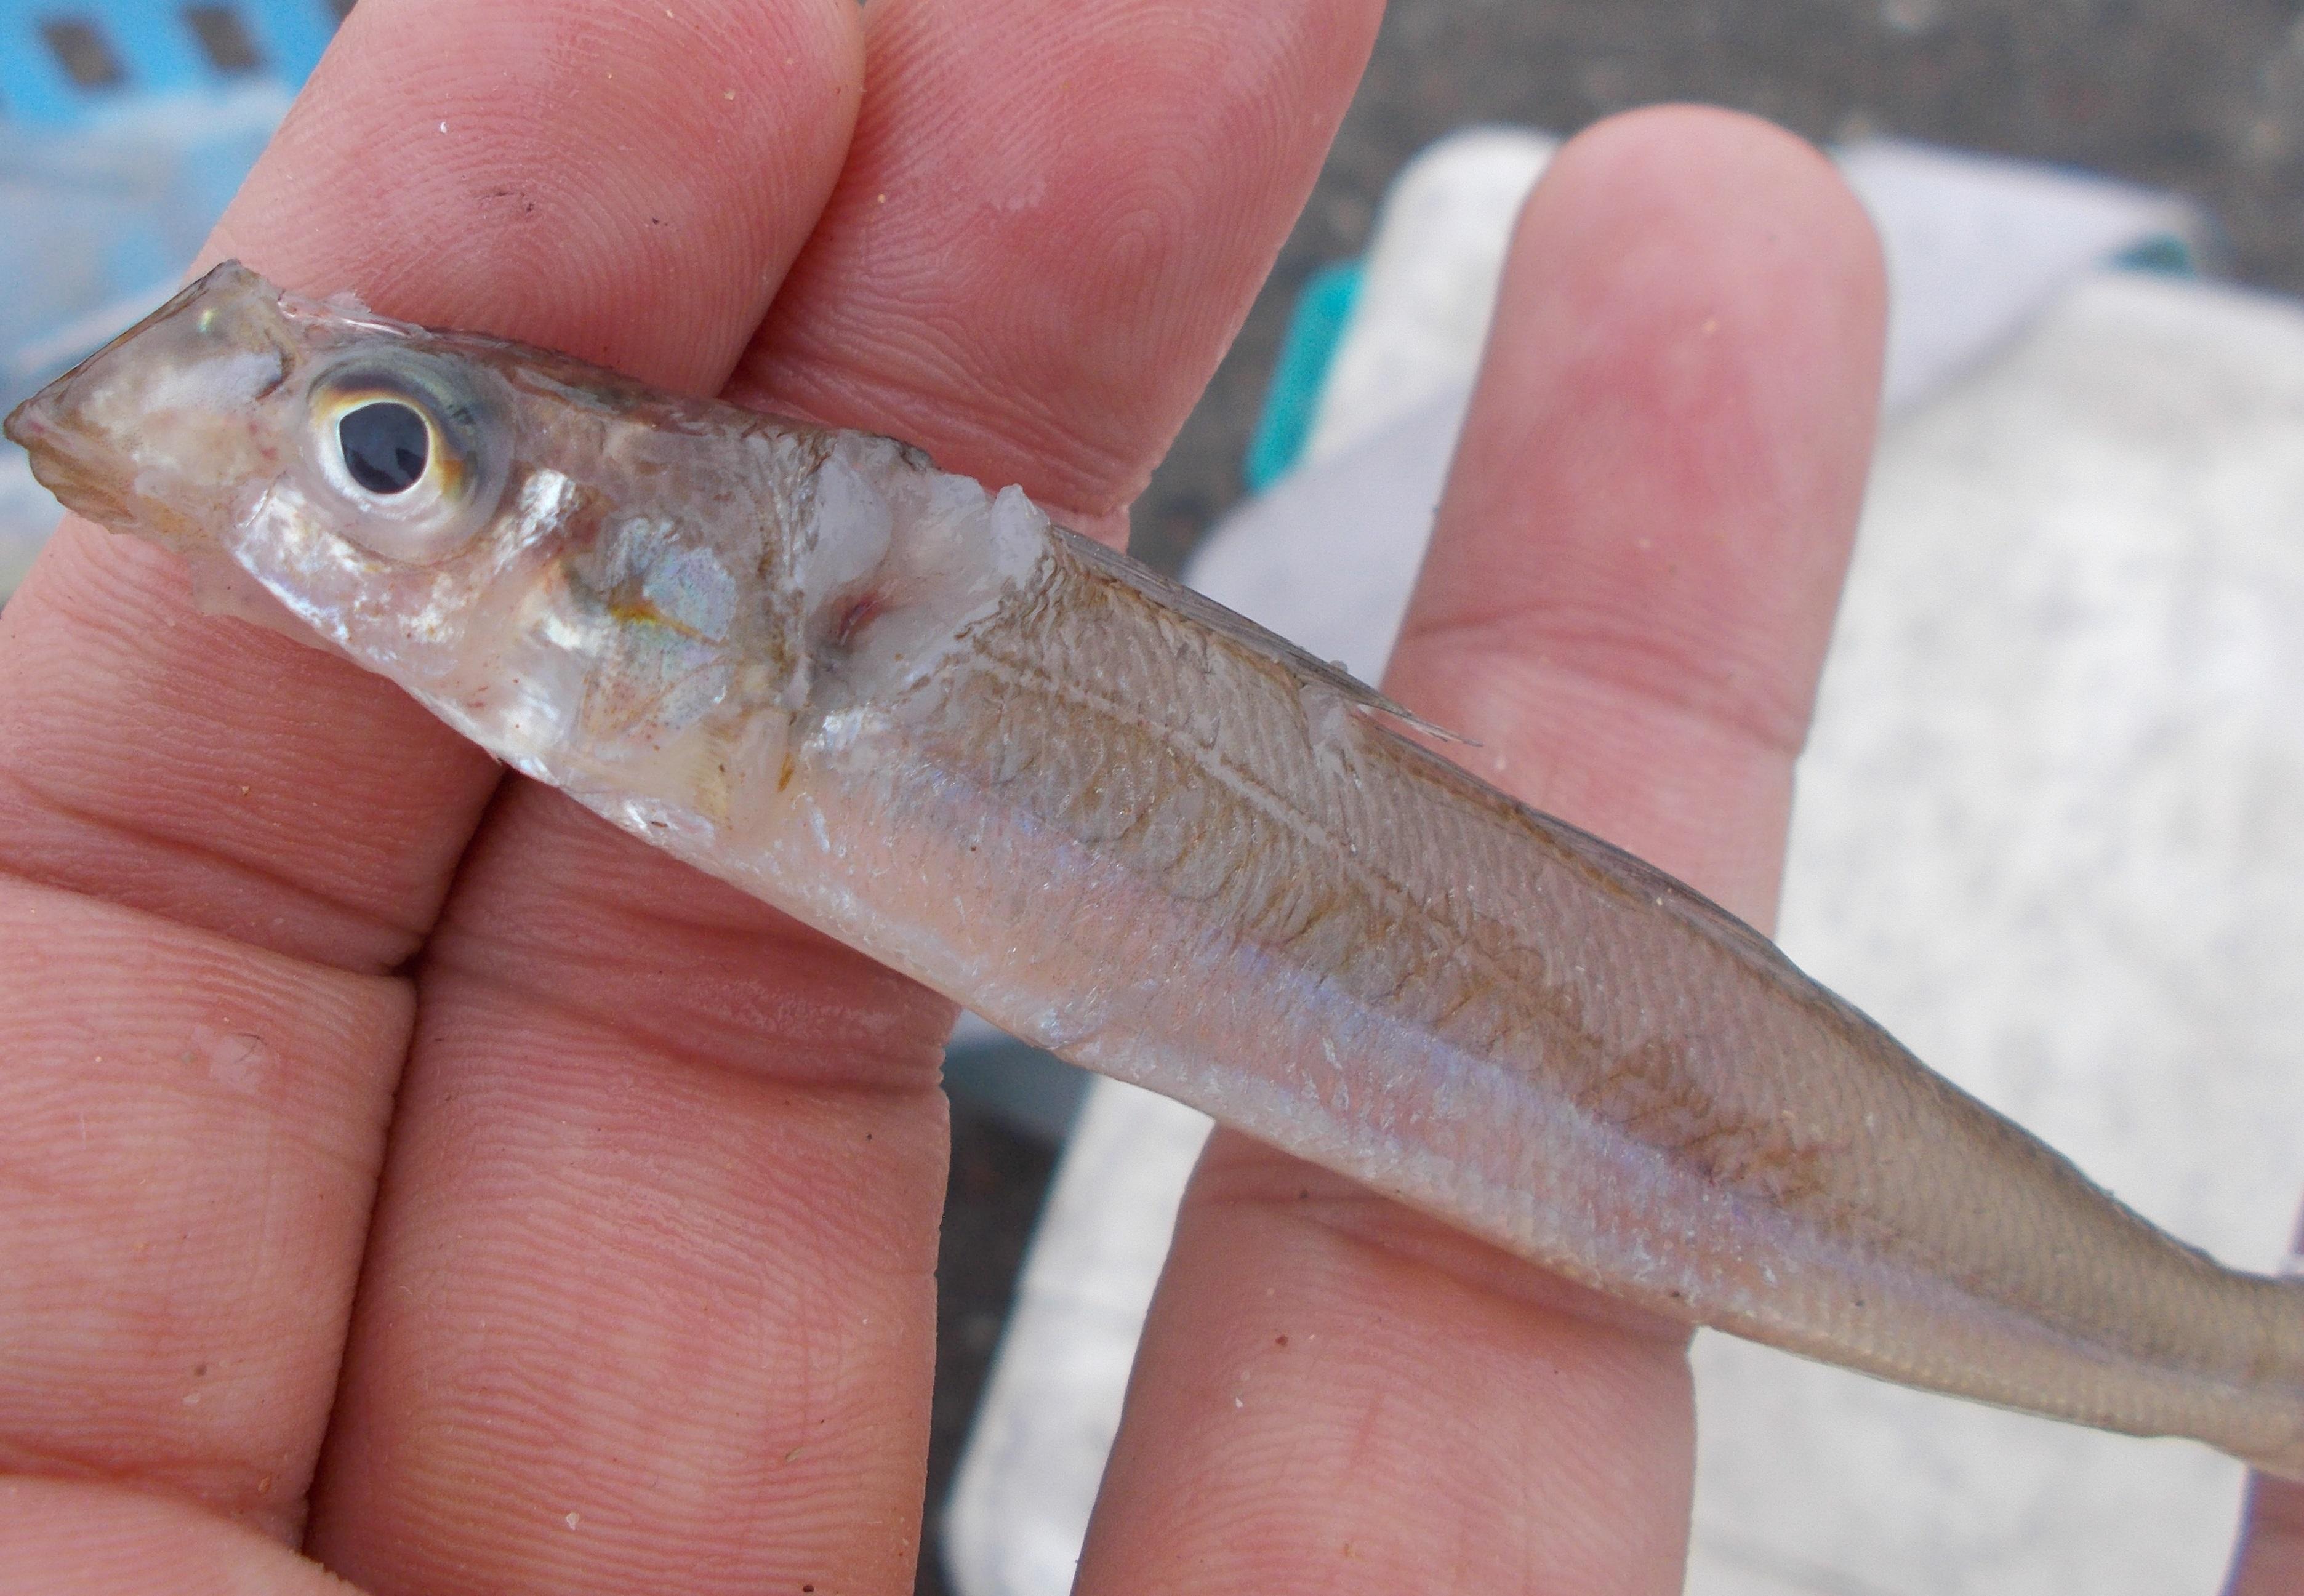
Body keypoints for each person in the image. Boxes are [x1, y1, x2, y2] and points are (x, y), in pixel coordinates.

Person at [0, 1, 2290, 1590]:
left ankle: (2224, 1359)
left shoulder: (798, 652)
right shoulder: (742, 667)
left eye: (388, 460)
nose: (337, 519)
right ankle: (2222, 1360)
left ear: (708, 603)